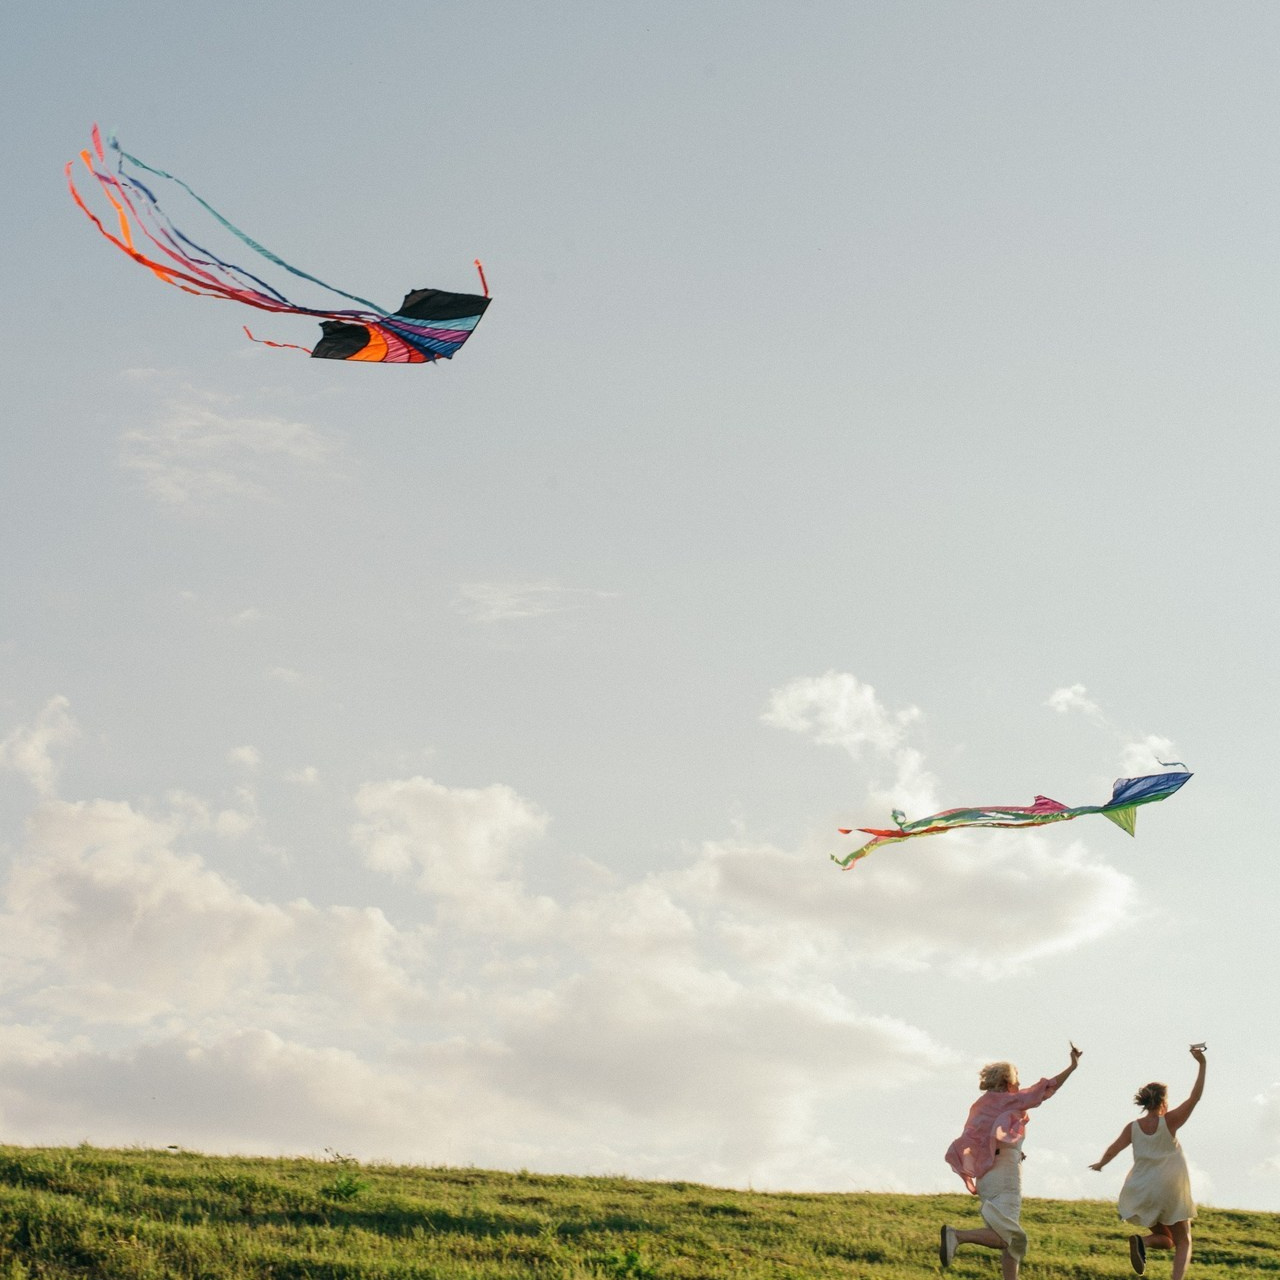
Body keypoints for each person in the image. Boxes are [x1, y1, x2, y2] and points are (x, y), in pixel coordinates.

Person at [940, 1043, 1082, 1277]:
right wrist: (1072, 1067)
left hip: (987, 1177)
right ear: (1008, 1082)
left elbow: (981, 1139)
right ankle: (956, 1235)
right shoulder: (1008, 1100)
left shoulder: (981, 1105)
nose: (1018, 1085)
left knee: (1008, 1237)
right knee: (1008, 1236)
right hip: (1005, 1175)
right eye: (1016, 1080)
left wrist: (1013, 1149)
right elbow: (1046, 1089)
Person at [1089, 1044, 1207, 1278]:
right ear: (1163, 1101)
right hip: (1170, 1189)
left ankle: (1142, 1241)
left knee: (1167, 1239)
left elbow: (1114, 1148)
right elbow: (1195, 1098)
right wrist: (1202, 1064)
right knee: (1184, 1241)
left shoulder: (1133, 1128)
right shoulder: (1169, 1122)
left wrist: (1101, 1164)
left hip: (1143, 1189)